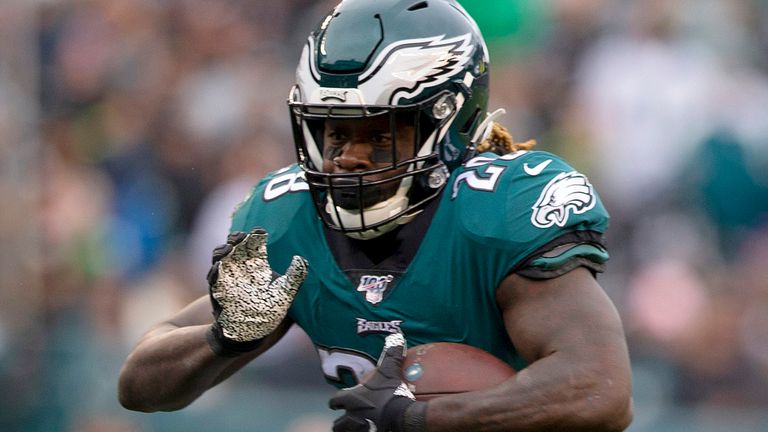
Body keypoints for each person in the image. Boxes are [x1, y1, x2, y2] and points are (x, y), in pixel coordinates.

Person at [118, 1, 634, 431]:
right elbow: (138, 387)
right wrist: (225, 337)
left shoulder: (497, 210)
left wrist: (423, 418)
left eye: (380, 134)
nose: (349, 156)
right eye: (336, 132)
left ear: (450, 121)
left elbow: (601, 388)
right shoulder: (291, 219)